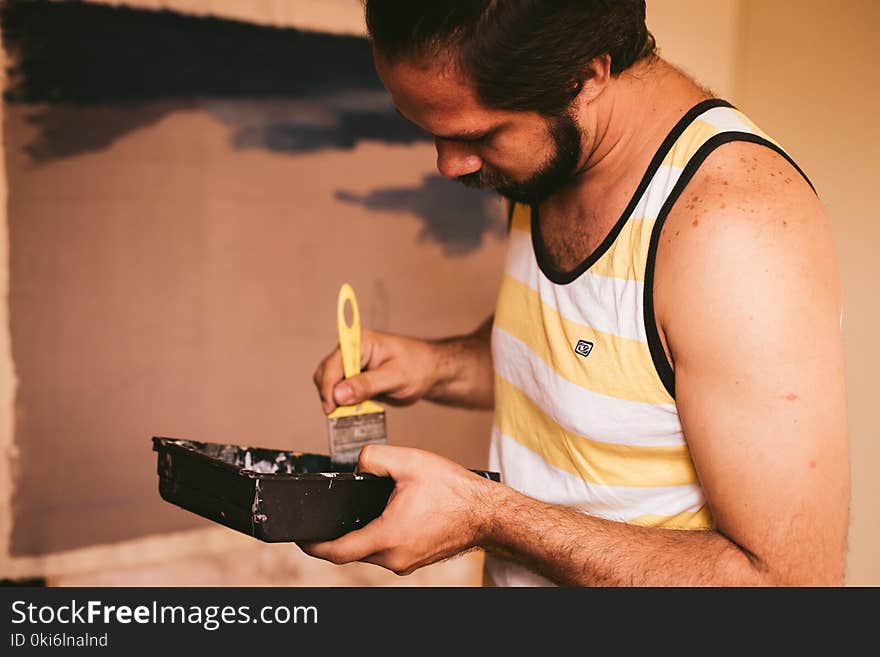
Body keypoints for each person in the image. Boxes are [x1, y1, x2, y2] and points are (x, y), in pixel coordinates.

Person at [301, 0, 849, 586]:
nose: (449, 166)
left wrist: (487, 516)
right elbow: (608, 372)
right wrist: (437, 366)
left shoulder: (731, 229)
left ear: (585, 78)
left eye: (476, 135)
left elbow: (787, 585)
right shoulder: (553, 153)